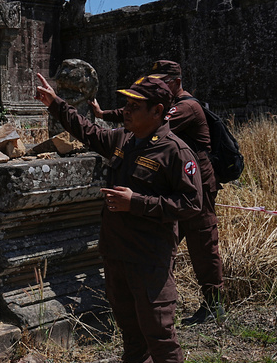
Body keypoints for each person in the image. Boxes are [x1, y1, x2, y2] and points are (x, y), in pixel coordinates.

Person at [35, 72, 202, 363]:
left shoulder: (175, 151)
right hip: (116, 251)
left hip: (150, 255)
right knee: (128, 321)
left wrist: (136, 203)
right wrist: (57, 106)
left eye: (134, 106)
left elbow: (191, 204)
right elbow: (89, 131)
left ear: (158, 111)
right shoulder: (125, 140)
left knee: (157, 326)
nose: (125, 111)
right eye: (125, 104)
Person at [92, 60, 225, 324]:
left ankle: (214, 306)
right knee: (166, 244)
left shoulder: (186, 107)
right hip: (170, 183)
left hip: (197, 187)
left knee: (203, 246)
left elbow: (146, 120)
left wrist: (108, 119)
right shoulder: (167, 106)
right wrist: (105, 115)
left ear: (175, 82)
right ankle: (157, 301)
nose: (159, 85)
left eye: (163, 81)